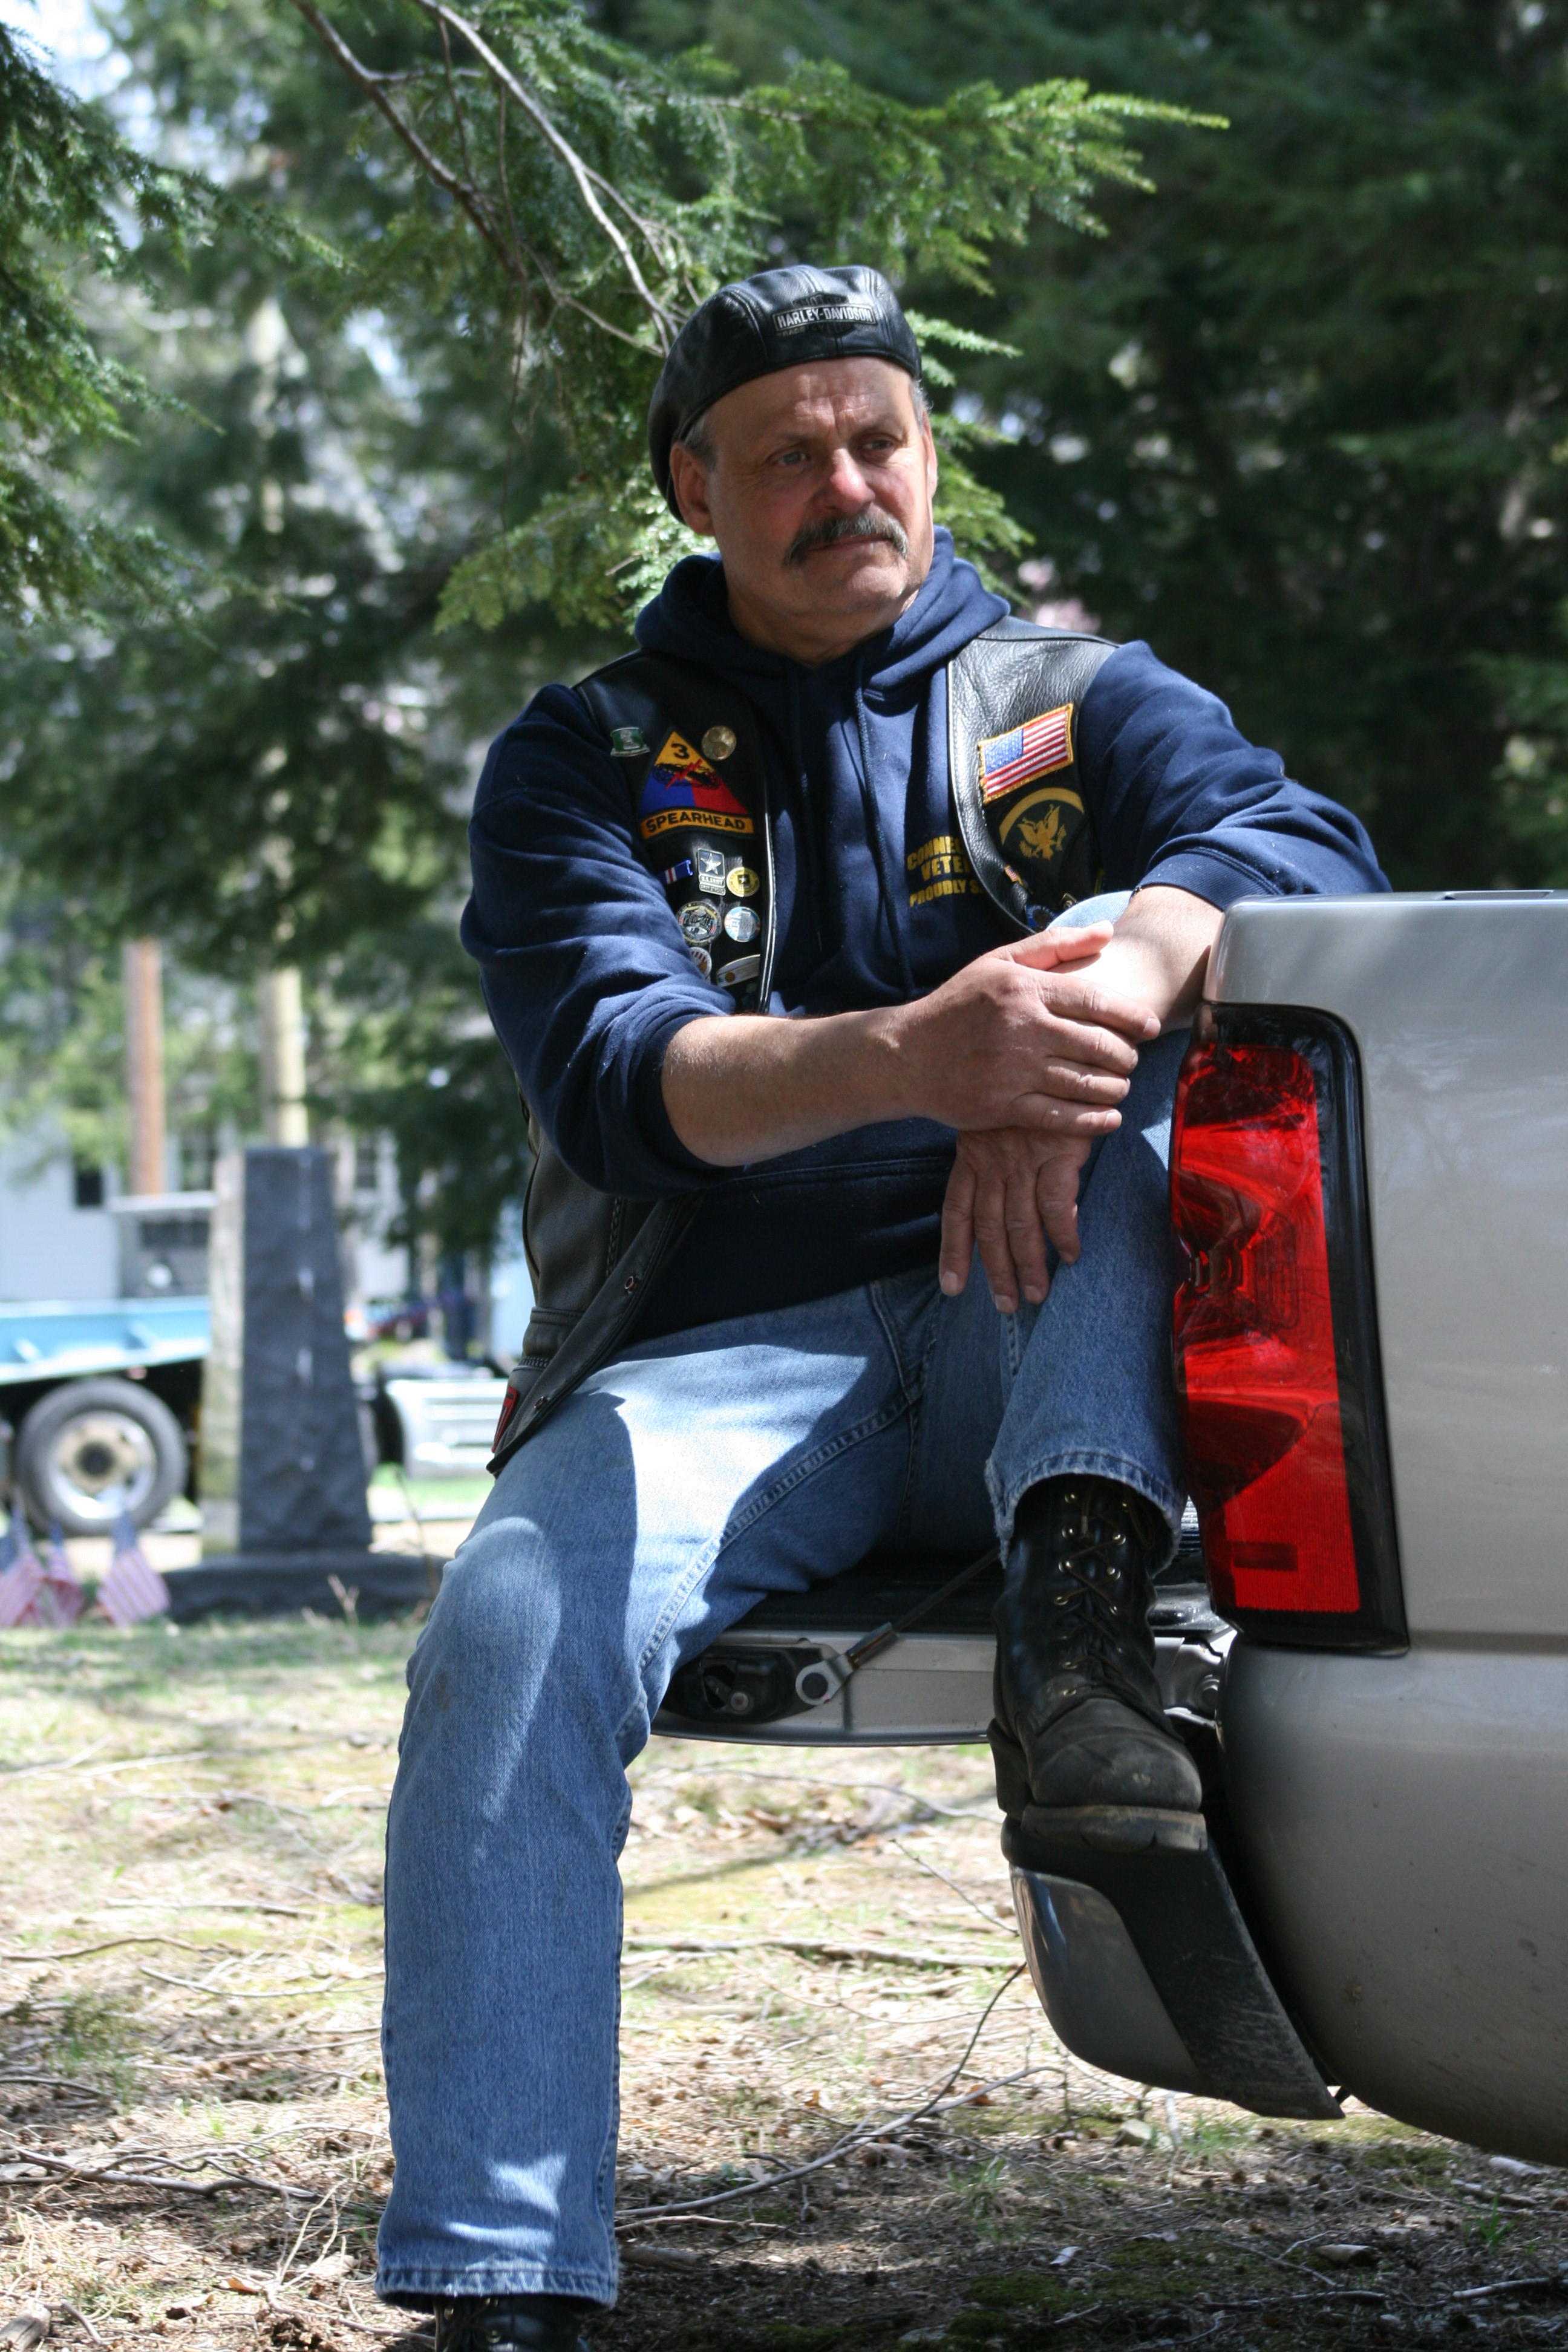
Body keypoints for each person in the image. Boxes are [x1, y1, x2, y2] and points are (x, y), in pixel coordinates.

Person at [376, 266, 1387, 2350]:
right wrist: (927, 1060)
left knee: (1148, 956)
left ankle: (1089, 1643)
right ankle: (497, 2279)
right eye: (787, 454)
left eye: (878, 439)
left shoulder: (1073, 695)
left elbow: (1297, 837)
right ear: (693, 485)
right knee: (502, 1632)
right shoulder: (586, 757)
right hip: (741, 1363)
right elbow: (619, 1075)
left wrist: (1098, 981)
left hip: (1057, 1325)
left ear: (926, 452)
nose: (846, 483)